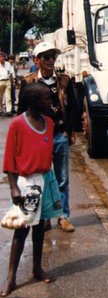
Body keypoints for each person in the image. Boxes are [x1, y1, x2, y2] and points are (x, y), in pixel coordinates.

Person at [1, 83, 64, 296]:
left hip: (47, 180)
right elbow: (9, 159)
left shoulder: (48, 122)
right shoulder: (17, 124)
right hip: (27, 183)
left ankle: (37, 267)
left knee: (40, 227)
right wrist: (13, 188)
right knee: (22, 228)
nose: (50, 102)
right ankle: (11, 276)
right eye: (46, 99)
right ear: (34, 102)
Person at [21, 42, 77, 232]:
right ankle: (45, 216)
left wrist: (68, 131)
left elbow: (74, 108)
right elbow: (22, 112)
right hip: (38, 138)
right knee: (42, 178)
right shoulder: (28, 82)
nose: (50, 60)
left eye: (53, 56)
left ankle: (63, 216)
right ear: (37, 60)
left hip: (59, 136)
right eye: (46, 57)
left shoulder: (64, 81)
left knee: (62, 179)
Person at [0, 52, 15, 116]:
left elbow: (11, 74)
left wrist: (13, 82)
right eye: (0, 57)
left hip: (7, 81)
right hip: (0, 81)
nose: (2, 58)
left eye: (3, 56)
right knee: (0, 97)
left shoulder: (8, 64)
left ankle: (8, 111)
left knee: (8, 97)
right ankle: (0, 110)